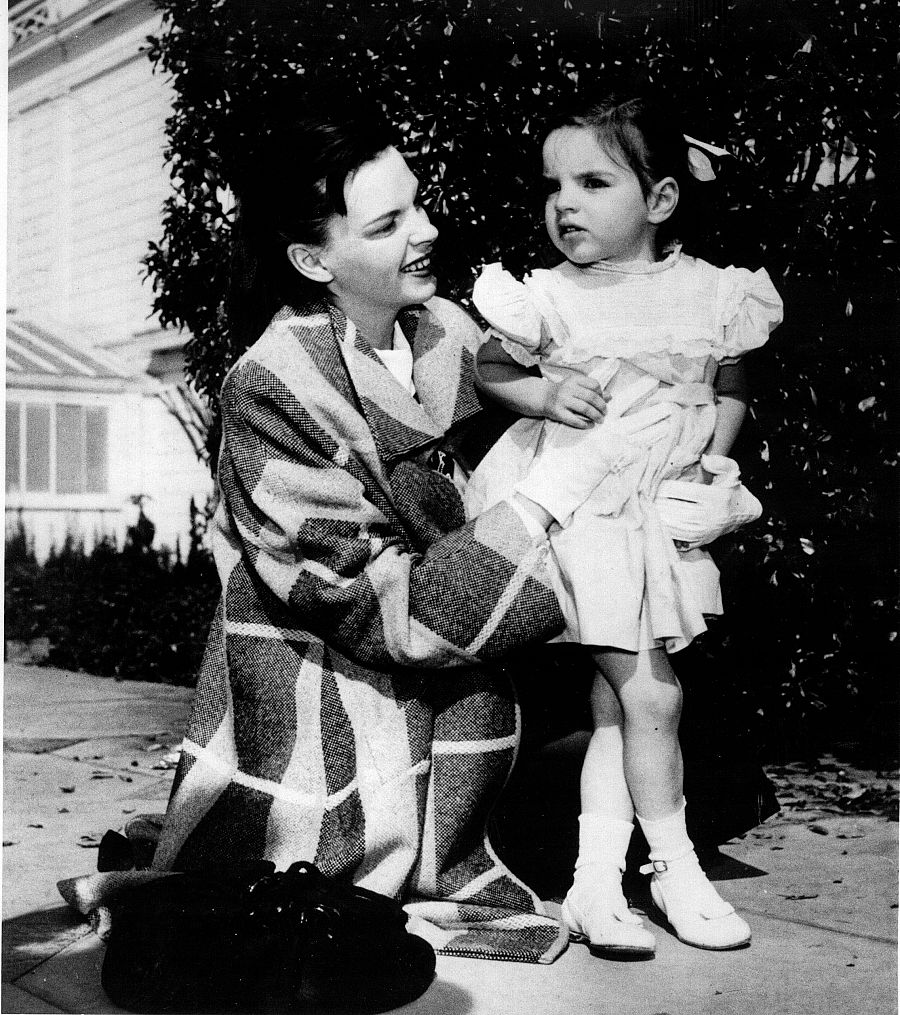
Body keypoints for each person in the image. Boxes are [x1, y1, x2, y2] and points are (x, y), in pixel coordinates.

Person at [136, 106, 682, 965]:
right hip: (346, 695)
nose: (426, 231)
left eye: (418, 204)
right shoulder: (272, 385)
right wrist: (559, 487)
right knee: (318, 891)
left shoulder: (450, 332)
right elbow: (384, 612)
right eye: (388, 224)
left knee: (671, 739)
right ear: (313, 260)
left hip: (481, 670)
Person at [465, 95, 783, 957]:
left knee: (615, 709)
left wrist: (712, 464)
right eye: (552, 185)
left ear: (661, 199)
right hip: (585, 512)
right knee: (653, 695)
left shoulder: (712, 292)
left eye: (593, 182)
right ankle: (675, 867)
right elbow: (492, 365)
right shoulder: (551, 297)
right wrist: (544, 393)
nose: (564, 203)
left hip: (661, 516)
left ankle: (596, 883)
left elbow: (729, 383)